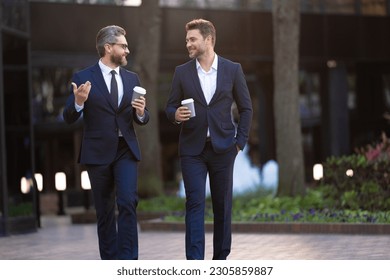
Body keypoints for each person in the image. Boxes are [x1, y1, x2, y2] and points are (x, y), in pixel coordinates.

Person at [165, 19, 253, 260]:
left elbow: (246, 108)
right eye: (187, 40)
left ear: (209, 40)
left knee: (223, 207)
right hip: (192, 150)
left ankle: (220, 261)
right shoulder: (181, 72)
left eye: (192, 39)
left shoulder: (232, 69)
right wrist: (175, 114)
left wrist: (239, 143)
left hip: (224, 148)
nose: (188, 44)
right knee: (194, 204)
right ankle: (195, 263)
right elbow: (169, 106)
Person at [63, 25, 149, 260]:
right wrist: (78, 102)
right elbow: (68, 116)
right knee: (104, 211)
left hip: (125, 150)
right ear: (108, 47)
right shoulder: (83, 78)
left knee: (128, 202)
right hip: (97, 152)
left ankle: (129, 262)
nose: (127, 51)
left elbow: (142, 117)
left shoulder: (133, 78)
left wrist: (141, 112)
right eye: (123, 46)